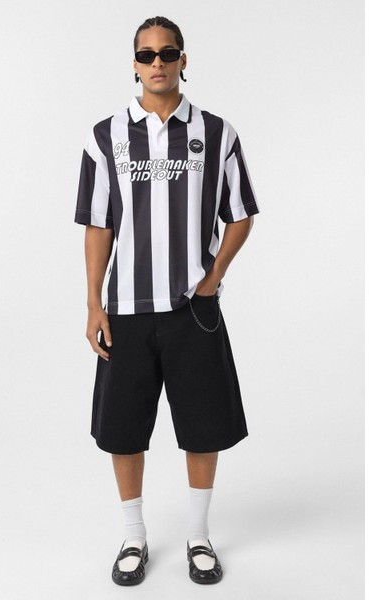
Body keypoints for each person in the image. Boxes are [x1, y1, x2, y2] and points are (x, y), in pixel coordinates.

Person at [74, 15, 260, 586]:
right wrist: (94, 304)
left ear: (183, 59)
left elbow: (241, 214)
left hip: (193, 312)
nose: (158, 62)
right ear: (134, 64)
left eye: (168, 52)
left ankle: (198, 537)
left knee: (203, 425)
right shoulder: (105, 136)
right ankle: (134, 537)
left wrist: (211, 278)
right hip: (126, 311)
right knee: (124, 429)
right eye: (147, 54)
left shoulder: (217, 133)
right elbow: (98, 225)